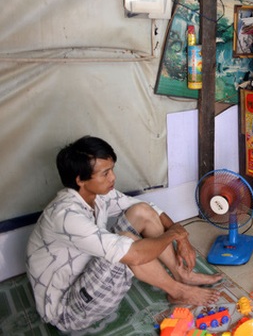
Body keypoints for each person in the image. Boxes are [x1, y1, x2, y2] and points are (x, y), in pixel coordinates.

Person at [26, 136, 222, 332]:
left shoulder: (96, 195)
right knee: (128, 243)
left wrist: (182, 237)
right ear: (80, 180)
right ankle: (179, 291)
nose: (113, 178)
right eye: (105, 173)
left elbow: (149, 209)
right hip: (68, 309)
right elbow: (134, 254)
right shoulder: (66, 216)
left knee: (142, 211)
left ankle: (182, 275)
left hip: (87, 276)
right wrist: (174, 234)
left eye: (112, 170)